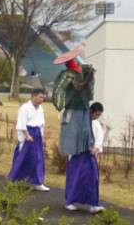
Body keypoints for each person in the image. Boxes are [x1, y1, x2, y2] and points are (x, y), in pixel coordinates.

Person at [51, 49, 97, 209]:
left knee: (85, 136)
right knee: (73, 151)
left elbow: (89, 89)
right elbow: (58, 93)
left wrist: (90, 73)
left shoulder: (84, 70)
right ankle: (70, 200)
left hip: (83, 110)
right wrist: (60, 105)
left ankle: (85, 145)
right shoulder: (65, 75)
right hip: (73, 111)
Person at [65, 102, 105, 213]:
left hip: (90, 155)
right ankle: (70, 201)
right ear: (91, 111)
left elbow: (99, 136)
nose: (96, 117)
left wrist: (96, 147)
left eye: (98, 115)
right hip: (78, 154)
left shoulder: (95, 124)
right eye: (95, 114)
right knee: (76, 177)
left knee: (93, 179)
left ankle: (93, 204)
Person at [8, 89, 50, 191]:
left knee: (38, 159)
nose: (42, 100)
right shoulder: (25, 108)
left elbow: (42, 123)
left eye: (43, 98)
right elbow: (22, 124)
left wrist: (41, 135)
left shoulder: (40, 109)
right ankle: (14, 179)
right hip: (28, 134)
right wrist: (27, 135)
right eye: (40, 97)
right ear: (34, 96)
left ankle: (38, 182)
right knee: (23, 158)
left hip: (37, 134)